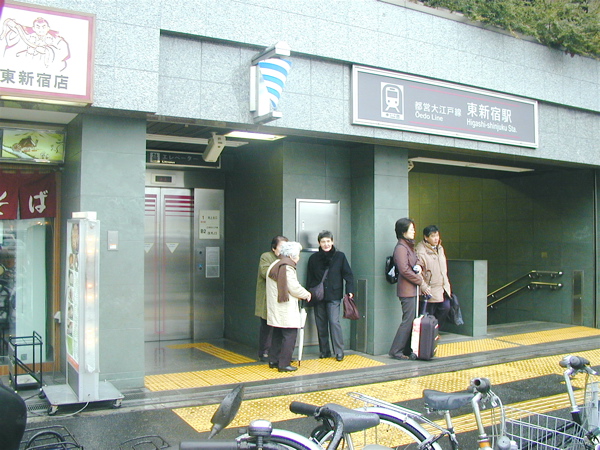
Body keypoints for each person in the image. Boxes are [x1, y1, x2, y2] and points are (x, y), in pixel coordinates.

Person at [306, 230, 355, 362]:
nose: (326, 244)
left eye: (328, 241)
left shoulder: (340, 256)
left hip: (334, 294)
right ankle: (324, 351)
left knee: (334, 322)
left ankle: (339, 351)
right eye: (323, 241)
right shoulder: (313, 259)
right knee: (321, 324)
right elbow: (310, 278)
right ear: (319, 243)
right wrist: (308, 294)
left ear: (332, 242)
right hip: (318, 296)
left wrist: (349, 290)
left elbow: (348, 274)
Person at [388, 218, 432, 360]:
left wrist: (419, 265)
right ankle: (396, 350)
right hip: (407, 291)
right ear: (403, 232)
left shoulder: (408, 246)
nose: (414, 231)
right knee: (408, 321)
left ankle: (407, 349)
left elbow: (416, 260)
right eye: (411, 229)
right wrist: (421, 283)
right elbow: (404, 270)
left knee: (411, 321)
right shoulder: (401, 248)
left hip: (413, 290)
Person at [266, 241, 311, 372]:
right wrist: (306, 294)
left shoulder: (275, 264)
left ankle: (274, 360)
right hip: (285, 307)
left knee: (277, 333)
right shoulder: (287, 267)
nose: (299, 258)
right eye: (298, 255)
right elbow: (293, 287)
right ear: (291, 256)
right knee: (290, 334)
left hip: (276, 306)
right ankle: (284, 364)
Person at [255, 235, 288, 361]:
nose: (283, 249)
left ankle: (278, 353)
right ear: (274, 248)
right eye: (281, 247)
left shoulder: (287, 258)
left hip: (280, 297)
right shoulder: (266, 256)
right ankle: (264, 352)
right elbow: (265, 273)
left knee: (280, 327)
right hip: (267, 297)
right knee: (267, 326)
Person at [415, 225, 452, 329]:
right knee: (428, 316)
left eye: (437, 235)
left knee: (445, 307)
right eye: (433, 236)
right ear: (426, 237)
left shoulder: (440, 248)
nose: (436, 238)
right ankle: (430, 334)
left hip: (442, 288)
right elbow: (417, 272)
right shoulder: (420, 251)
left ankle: (435, 331)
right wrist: (423, 286)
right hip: (429, 290)